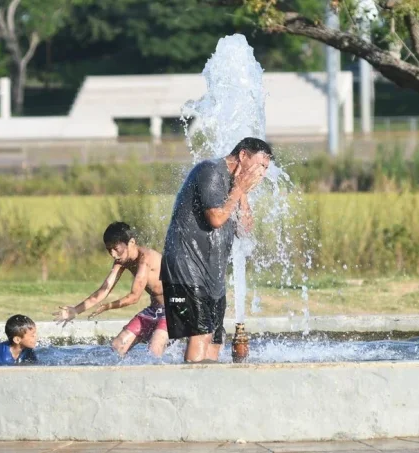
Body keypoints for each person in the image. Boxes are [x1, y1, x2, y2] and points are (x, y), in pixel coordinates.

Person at [161, 137, 272, 363]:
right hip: (185, 268)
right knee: (201, 333)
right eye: (260, 165)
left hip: (211, 272)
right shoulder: (210, 171)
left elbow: (244, 229)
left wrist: (243, 194)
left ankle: (207, 391)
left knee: (215, 339)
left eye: (266, 169)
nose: (262, 173)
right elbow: (216, 218)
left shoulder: (236, 186)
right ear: (243, 156)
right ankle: (191, 392)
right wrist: (239, 188)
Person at [54, 222, 169, 358]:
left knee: (154, 352)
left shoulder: (146, 259)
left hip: (176, 308)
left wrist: (108, 306)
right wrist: (75, 310)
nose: (113, 255)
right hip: (155, 309)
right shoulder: (121, 260)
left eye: (116, 249)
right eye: (109, 250)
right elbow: (104, 290)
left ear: (131, 242)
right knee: (117, 347)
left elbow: (134, 297)